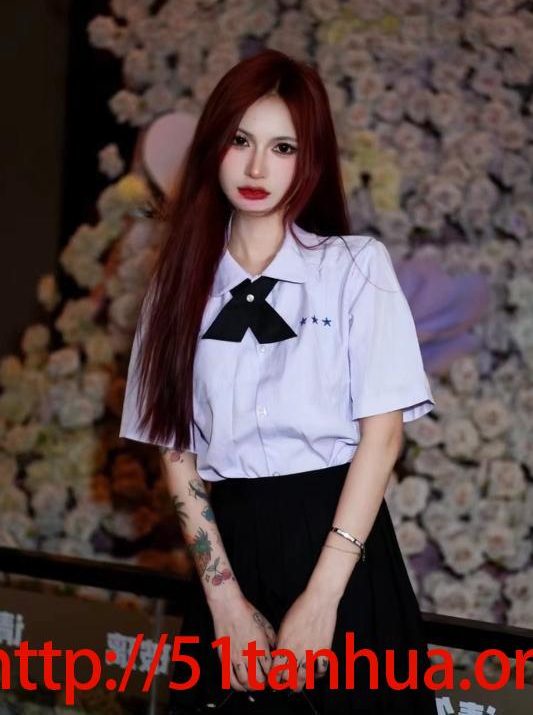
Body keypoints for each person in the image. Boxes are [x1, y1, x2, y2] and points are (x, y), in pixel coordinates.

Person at [119, 49, 437, 714]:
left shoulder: (354, 268)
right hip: (227, 557)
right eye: (240, 141)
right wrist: (223, 603)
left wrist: (323, 598)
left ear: (309, 158)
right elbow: (176, 454)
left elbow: (382, 438)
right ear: (214, 147)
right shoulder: (174, 291)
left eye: (282, 147)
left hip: (342, 553)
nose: (257, 168)